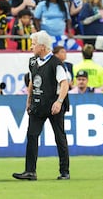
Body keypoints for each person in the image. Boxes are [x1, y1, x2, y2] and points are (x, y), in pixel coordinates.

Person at [12, 30, 70, 181]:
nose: (31, 47)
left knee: (59, 137)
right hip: (38, 105)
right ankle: (30, 171)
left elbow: (64, 84)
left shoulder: (56, 64)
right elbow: (32, 81)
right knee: (32, 135)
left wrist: (59, 102)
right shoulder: (32, 62)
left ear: (42, 47)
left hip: (53, 105)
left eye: (33, 44)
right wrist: (29, 100)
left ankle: (64, 171)